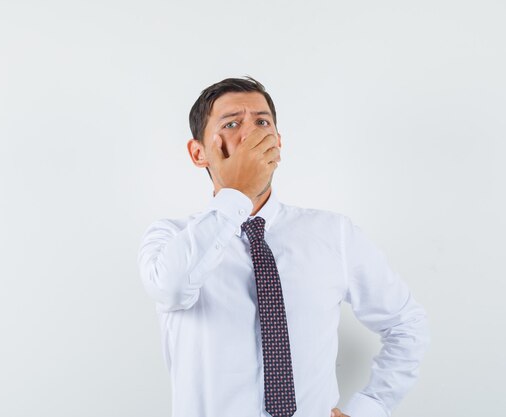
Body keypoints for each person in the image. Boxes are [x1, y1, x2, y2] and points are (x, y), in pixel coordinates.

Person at [137, 76, 429, 417]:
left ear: (278, 143)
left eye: (262, 122)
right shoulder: (169, 237)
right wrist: (237, 195)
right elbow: (171, 289)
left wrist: (371, 406)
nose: (252, 135)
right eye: (232, 124)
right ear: (199, 153)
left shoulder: (334, 233)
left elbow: (406, 322)